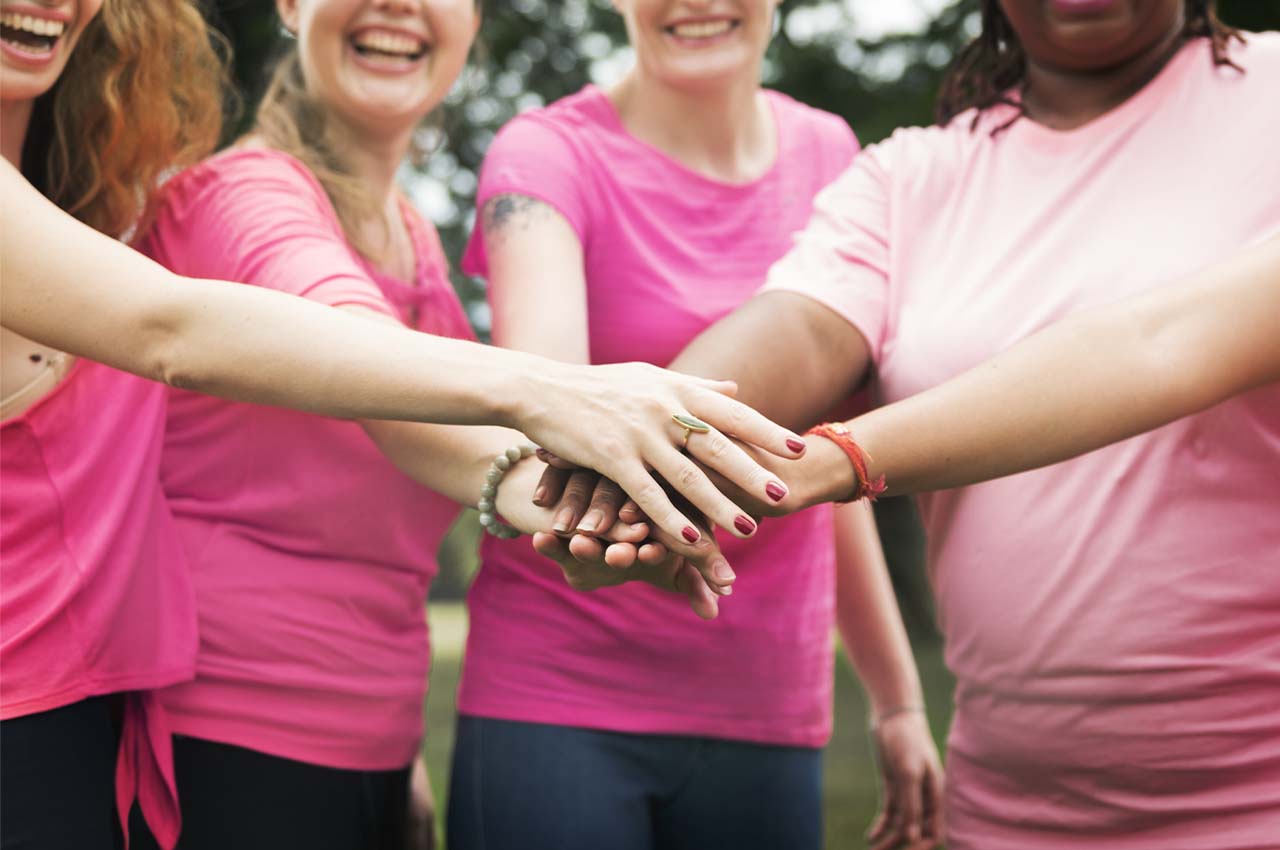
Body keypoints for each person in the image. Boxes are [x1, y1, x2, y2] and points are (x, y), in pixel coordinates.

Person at [0, 2, 802, 848]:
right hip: (216, 738)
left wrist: (590, 508)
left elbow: (417, 443)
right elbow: (234, 337)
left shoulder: (411, 234)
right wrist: (553, 402)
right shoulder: (244, 194)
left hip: (323, 738)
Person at [544, 2, 1280, 847]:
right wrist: (638, 460)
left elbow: (1163, 347)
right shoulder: (914, 176)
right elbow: (802, 326)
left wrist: (839, 456)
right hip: (1005, 809)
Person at [448, 2, 943, 849]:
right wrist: (596, 536)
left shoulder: (830, 155)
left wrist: (895, 699)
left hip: (766, 700)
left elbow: (814, 459)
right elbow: (549, 408)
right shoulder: (545, 156)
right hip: (557, 692)